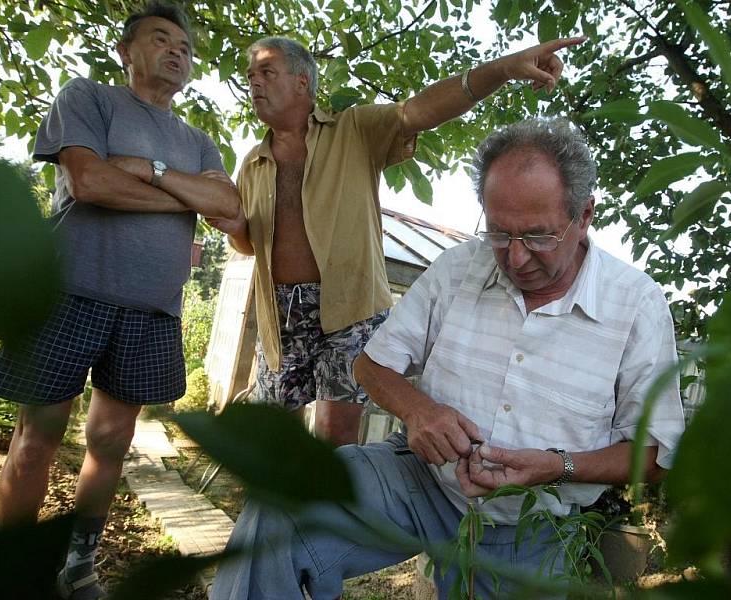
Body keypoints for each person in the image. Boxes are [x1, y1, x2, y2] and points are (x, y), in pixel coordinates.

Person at [210, 118, 686, 599]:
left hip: (533, 522)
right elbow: (370, 365)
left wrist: (555, 466)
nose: (516, 258)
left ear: (583, 216)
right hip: (419, 480)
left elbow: (656, 456)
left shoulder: (637, 306)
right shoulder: (460, 265)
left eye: (538, 236)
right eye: (499, 234)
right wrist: (419, 411)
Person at [208, 35, 585, 446]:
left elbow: (418, 112)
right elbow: (250, 244)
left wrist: (501, 69)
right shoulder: (252, 163)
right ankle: (284, 509)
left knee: (336, 435)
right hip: (281, 311)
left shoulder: (352, 129)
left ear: (302, 81)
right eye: (250, 76)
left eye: (266, 72)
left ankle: (331, 510)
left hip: (349, 304)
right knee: (277, 433)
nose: (254, 83)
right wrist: (231, 225)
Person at [0, 2, 240, 598]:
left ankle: (78, 564)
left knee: (110, 442)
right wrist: (185, 197)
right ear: (126, 52)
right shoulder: (89, 99)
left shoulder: (200, 141)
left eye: (185, 46)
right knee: (34, 443)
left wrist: (149, 172)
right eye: (161, 39)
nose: (178, 51)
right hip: (69, 294)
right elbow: (89, 182)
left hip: (153, 309)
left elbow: (229, 209)